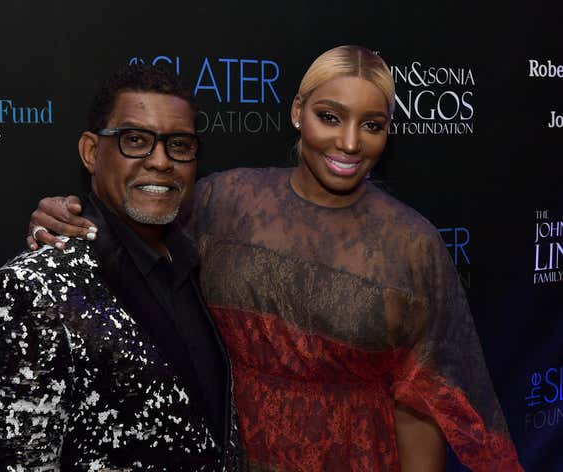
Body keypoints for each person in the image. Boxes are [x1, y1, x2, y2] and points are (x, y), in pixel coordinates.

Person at [26, 46, 523, 471]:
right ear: (296, 112)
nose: (349, 143)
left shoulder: (413, 243)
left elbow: (422, 402)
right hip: (232, 453)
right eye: (330, 116)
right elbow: (132, 228)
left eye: (372, 125)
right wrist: (63, 215)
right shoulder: (222, 200)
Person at [0, 64, 240, 471]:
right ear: (92, 152)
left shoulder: (198, 263)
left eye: (179, 144)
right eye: (136, 140)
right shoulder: (30, 291)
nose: (160, 161)